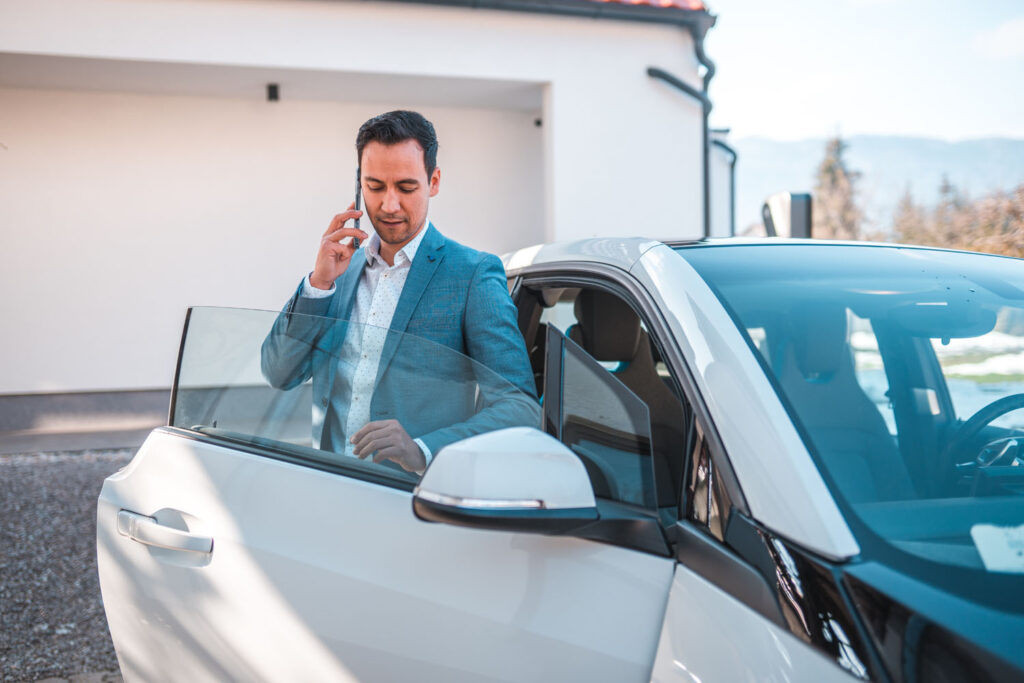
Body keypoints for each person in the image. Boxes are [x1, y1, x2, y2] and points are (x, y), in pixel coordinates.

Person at [261, 110, 538, 475]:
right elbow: (279, 373)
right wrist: (319, 283)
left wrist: (422, 449)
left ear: (433, 181)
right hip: (331, 491)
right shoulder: (338, 274)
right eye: (375, 187)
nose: (389, 205)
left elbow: (520, 407)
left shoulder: (472, 274)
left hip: (413, 505)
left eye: (406, 188)